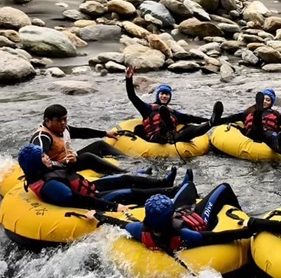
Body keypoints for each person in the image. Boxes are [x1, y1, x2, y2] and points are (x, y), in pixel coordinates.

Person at [16, 144, 185, 213]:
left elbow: (67, 173)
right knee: (131, 192)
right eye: (43, 157)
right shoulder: (50, 185)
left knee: (124, 178)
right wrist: (114, 206)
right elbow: (80, 200)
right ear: (36, 164)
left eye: (45, 155)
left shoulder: (43, 171)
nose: (47, 158)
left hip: (89, 187)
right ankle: (174, 192)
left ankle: (165, 183)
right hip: (92, 198)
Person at [100, 182, 253, 252]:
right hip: (198, 219)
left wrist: (97, 215)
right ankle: (240, 210)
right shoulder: (185, 235)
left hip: (182, 213)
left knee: (188, 185)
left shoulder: (139, 230)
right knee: (224, 188)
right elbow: (217, 237)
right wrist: (245, 231)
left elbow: (118, 223)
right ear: (170, 217)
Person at [124, 66, 218, 144]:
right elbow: (132, 97)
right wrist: (129, 79)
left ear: (169, 97)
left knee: (191, 130)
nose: (164, 96)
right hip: (156, 138)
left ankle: (210, 123)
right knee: (163, 129)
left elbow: (191, 118)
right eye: (162, 94)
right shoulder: (147, 108)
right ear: (158, 95)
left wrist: (209, 120)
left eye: (167, 94)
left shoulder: (173, 112)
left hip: (173, 138)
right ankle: (166, 130)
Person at [30, 104, 126, 174]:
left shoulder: (63, 128)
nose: (63, 123)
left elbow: (82, 132)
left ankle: (130, 161)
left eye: (65, 119)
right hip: (60, 168)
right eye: (59, 120)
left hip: (70, 160)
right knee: (87, 157)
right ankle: (123, 173)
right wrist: (61, 163)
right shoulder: (42, 137)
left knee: (100, 145)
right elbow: (39, 161)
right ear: (47, 121)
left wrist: (105, 133)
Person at [212, 89, 281, 155]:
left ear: (271, 103)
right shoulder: (248, 111)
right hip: (253, 132)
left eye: (268, 100)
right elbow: (231, 118)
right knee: (256, 126)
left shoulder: (276, 114)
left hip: (267, 132)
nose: (265, 101)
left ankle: (280, 148)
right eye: (263, 99)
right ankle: (258, 113)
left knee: (272, 137)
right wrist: (216, 121)